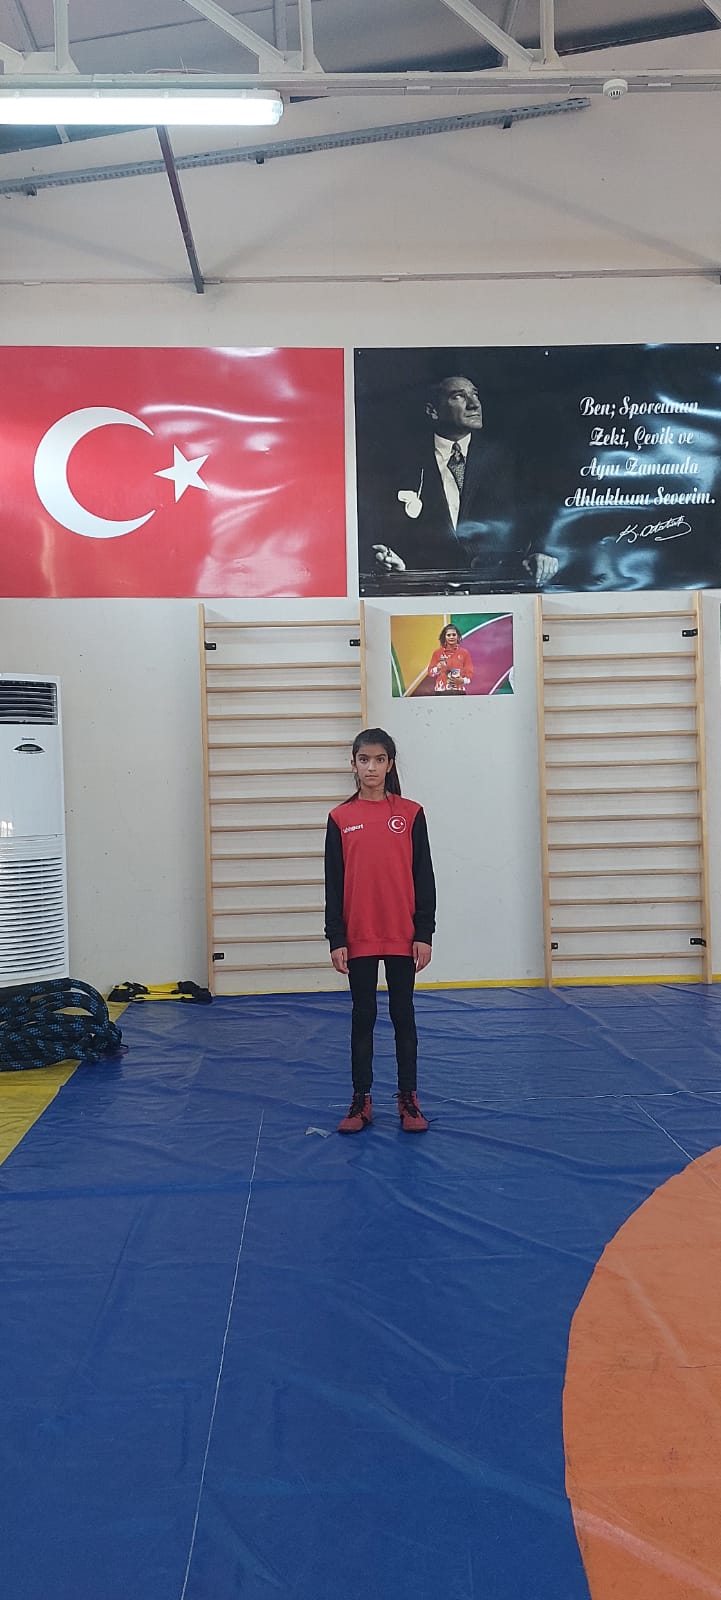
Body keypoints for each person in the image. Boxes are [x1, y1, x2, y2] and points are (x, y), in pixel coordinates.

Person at [324, 728, 436, 1134]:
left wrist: (424, 932)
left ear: (390, 764)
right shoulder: (340, 818)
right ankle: (361, 1099)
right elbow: (334, 884)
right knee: (363, 1017)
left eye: (379, 759)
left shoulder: (411, 814)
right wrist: (337, 938)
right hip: (360, 936)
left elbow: (424, 877)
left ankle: (408, 1098)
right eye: (364, 759)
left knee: (403, 1015)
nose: (371, 767)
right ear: (353, 764)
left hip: (402, 935)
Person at [362, 373, 559, 590]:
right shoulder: (400, 463)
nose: (474, 404)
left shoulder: (506, 459)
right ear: (433, 411)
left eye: (475, 395)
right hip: (425, 591)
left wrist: (541, 552)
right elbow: (383, 532)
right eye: (458, 396)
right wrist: (392, 558)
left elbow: (538, 514)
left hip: (494, 590)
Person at [426, 623, 473, 694]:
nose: (451, 637)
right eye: (448, 635)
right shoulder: (437, 653)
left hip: (459, 691)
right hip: (441, 691)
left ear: (458, 636)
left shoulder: (464, 653)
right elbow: (430, 673)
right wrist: (438, 668)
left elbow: (469, 673)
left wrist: (462, 680)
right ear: (444, 637)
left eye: (454, 635)